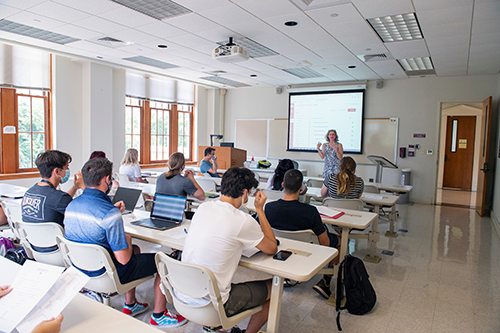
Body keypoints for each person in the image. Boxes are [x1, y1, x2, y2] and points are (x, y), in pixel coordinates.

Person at [64, 158, 186, 328]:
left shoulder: (71, 205)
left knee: (135, 248)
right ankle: (159, 315)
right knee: (162, 259)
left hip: (81, 270)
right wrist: (126, 239)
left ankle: (131, 304)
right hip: (107, 273)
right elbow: (123, 259)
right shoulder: (109, 213)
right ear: (107, 180)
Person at [181, 167, 278, 333]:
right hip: (212, 303)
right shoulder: (242, 220)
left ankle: (218, 328)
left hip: (184, 294)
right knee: (274, 288)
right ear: (245, 193)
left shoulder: (203, 208)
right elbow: (272, 247)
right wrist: (260, 210)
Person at [265, 169, 340, 299]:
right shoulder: (310, 211)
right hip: (307, 249)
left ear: (283, 185)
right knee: (339, 241)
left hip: (280, 247)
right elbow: (325, 243)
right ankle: (326, 281)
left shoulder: (269, 208)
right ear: (301, 188)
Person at [21, 150, 84, 228]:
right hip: (57, 239)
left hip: (33, 238)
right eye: (66, 167)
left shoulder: (29, 192)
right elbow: (84, 214)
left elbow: (61, 202)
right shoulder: (59, 198)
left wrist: (75, 187)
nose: (68, 170)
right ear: (57, 171)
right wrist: (84, 187)